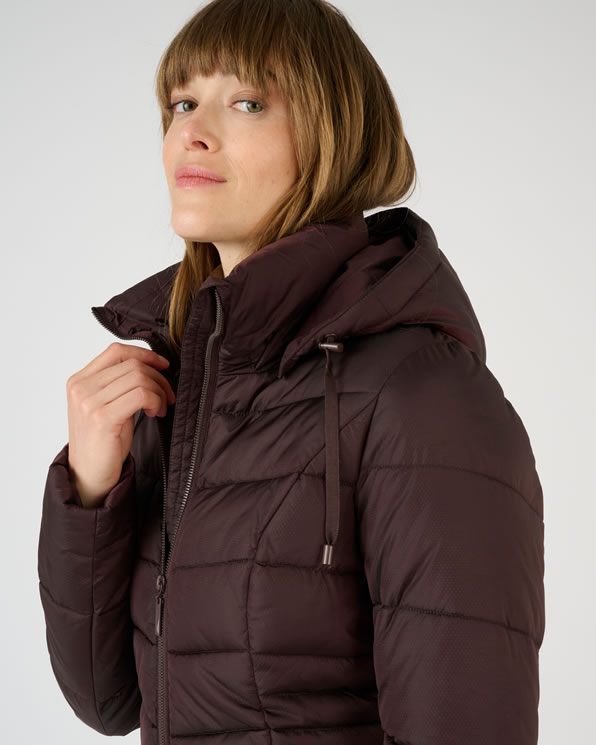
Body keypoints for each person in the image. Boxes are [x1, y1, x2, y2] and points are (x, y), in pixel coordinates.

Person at [37, 0, 546, 743]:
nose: (192, 132)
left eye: (247, 103)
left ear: (332, 135)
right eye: (182, 103)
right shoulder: (179, 385)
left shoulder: (423, 395)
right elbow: (108, 699)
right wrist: (90, 489)